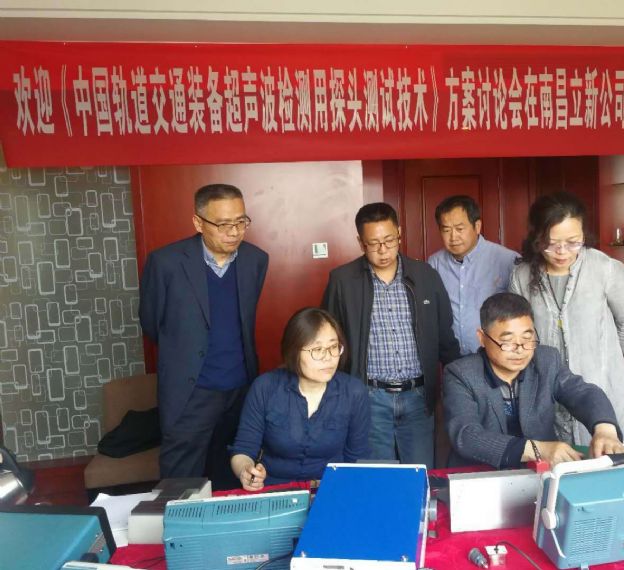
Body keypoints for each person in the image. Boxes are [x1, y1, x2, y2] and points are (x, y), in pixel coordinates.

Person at [139, 183, 269, 483]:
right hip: (190, 392)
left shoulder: (256, 260)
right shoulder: (166, 263)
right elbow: (152, 323)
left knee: (233, 475)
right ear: (198, 223)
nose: (234, 232)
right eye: (223, 224)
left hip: (240, 390)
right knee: (181, 483)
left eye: (241, 222)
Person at [322, 202, 461, 468]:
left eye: (389, 240)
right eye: (373, 244)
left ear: (399, 233)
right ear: (360, 243)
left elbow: (445, 338)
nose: (383, 250)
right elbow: (329, 341)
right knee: (376, 479)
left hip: (418, 397)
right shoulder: (342, 281)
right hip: (369, 397)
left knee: (419, 474)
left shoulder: (425, 276)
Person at [509, 192, 624, 445]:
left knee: (608, 455)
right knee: (555, 461)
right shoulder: (522, 276)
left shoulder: (605, 268)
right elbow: (519, 333)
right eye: (551, 243)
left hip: (602, 386)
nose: (562, 252)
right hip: (546, 391)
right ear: (537, 238)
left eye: (573, 242)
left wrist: (603, 358)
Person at [444, 292, 624, 469]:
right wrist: (537, 450)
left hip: (540, 474)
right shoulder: (461, 374)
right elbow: (466, 435)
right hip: (479, 473)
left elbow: (583, 393)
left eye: (527, 338)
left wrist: (605, 429)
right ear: (482, 338)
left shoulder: (546, 361)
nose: (520, 350)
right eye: (507, 341)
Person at [230, 308, 370, 488]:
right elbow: (243, 449)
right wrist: (246, 470)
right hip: (274, 489)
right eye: (317, 350)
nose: (328, 358)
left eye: (333, 347)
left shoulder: (354, 392)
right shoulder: (265, 387)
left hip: (330, 489)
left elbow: (357, 459)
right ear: (294, 351)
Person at [428, 195, 518, 354]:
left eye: (460, 229)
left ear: (477, 226)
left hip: (496, 354)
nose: (453, 237)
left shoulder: (508, 260)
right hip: (452, 356)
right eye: (446, 230)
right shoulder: (434, 263)